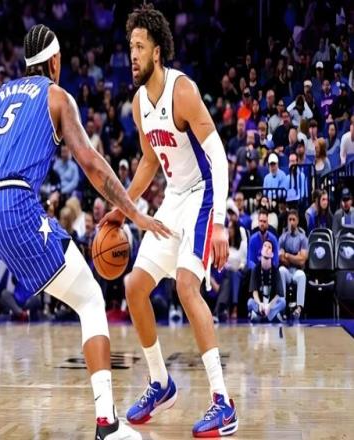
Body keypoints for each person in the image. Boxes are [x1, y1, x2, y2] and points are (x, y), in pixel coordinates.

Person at [0, 24, 171, 440]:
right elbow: (90, 163)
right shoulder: (57, 97)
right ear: (54, 62)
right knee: (90, 299)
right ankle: (107, 423)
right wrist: (133, 213)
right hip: (13, 203)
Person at [100, 5, 237, 437]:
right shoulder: (139, 103)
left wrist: (220, 222)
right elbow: (148, 161)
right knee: (134, 287)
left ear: (157, 52)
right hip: (175, 198)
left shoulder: (183, 91)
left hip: (203, 194)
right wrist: (124, 206)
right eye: (130, 47)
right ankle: (160, 383)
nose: (133, 55)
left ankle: (223, 402)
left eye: (140, 47)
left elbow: (218, 156)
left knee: (185, 286)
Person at [279, 210, 308, 320]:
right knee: (281, 270)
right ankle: (281, 307)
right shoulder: (282, 237)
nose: (291, 222)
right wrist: (296, 257)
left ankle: (299, 308)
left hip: (297, 271)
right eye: (289, 219)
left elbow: (302, 261)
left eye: (293, 220)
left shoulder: (303, 238)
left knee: (302, 276)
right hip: (287, 270)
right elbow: (281, 258)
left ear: (297, 221)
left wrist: (287, 255)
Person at [247, 239, 285, 323]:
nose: (266, 248)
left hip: (271, 304)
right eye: (264, 246)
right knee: (250, 302)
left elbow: (278, 294)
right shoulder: (255, 269)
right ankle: (271, 316)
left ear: (272, 254)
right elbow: (254, 292)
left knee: (283, 302)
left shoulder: (275, 271)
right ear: (261, 251)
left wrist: (269, 306)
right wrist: (260, 304)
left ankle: (261, 316)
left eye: (269, 247)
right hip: (260, 304)